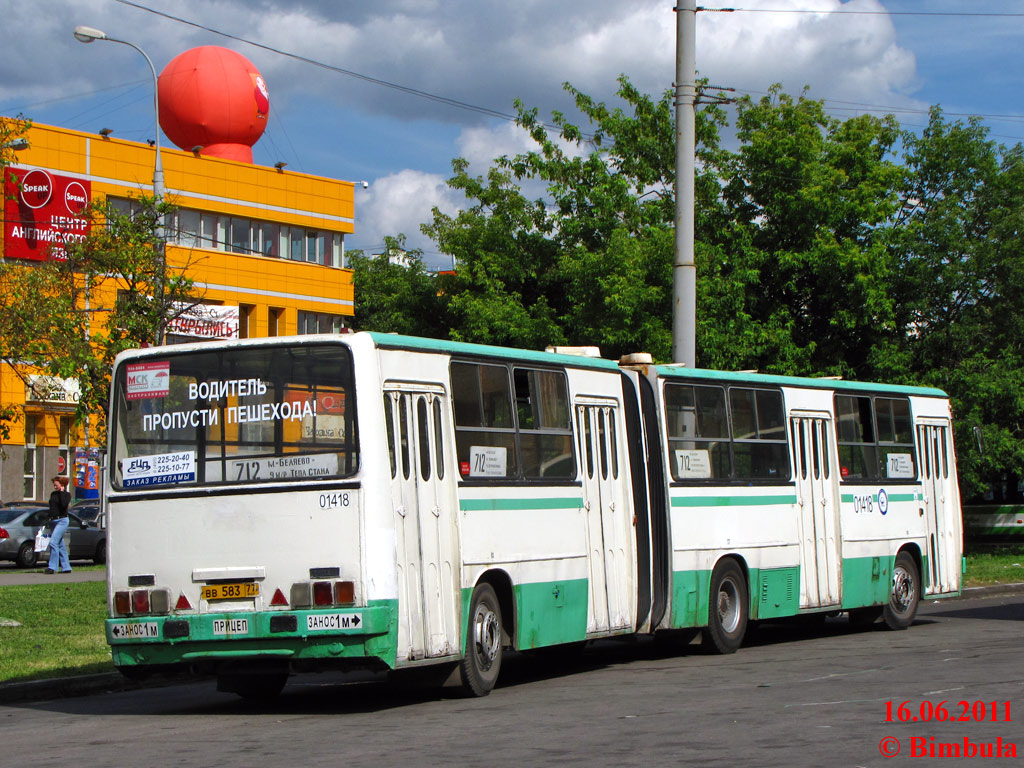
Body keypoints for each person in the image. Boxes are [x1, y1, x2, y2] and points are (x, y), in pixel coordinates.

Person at [45, 475, 72, 574]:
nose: (55, 486)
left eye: (56, 484)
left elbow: (64, 504)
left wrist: (61, 492)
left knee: (53, 542)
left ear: (62, 485)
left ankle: (52, 567)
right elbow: (52, 507)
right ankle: (66, 567)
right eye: (54, 485)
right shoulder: (53, 494)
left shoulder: (67, 495)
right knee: (60, 545)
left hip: (62, 521)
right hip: (53, 521)